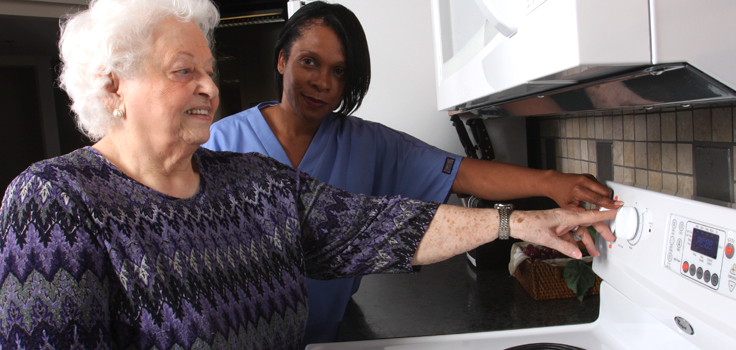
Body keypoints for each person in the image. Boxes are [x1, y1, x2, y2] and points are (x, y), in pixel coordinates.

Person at [0, 0, 616, 348]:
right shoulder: (56, 201)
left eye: (210, 71)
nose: (211, 88)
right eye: (183, 70)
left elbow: (378, 226)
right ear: (114, 85)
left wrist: (520, 220)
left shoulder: (250, 182)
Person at [203, 1, 623, 344]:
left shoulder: (369, 145)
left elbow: (461, 172)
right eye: (309, 62)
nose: (323, 83)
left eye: (339, 71)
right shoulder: (217, 144)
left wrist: (551, 183)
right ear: (281, 60)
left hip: (330, 336)